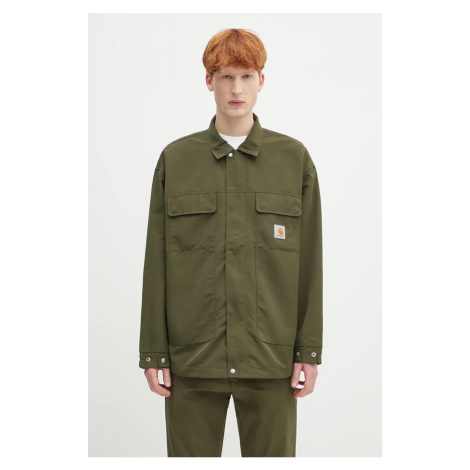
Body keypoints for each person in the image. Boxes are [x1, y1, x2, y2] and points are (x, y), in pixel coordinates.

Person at [139, 28, 323, 457]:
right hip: (192, 361)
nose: (236, 89)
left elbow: (310, 263)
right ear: (209, 81)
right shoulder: (176, 160)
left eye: (245, 76)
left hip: (271, 362)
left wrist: (308, 351)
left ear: (261, 80)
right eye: (225, 77)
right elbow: (156, 261)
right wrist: (153, 352)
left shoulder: (293, 159)